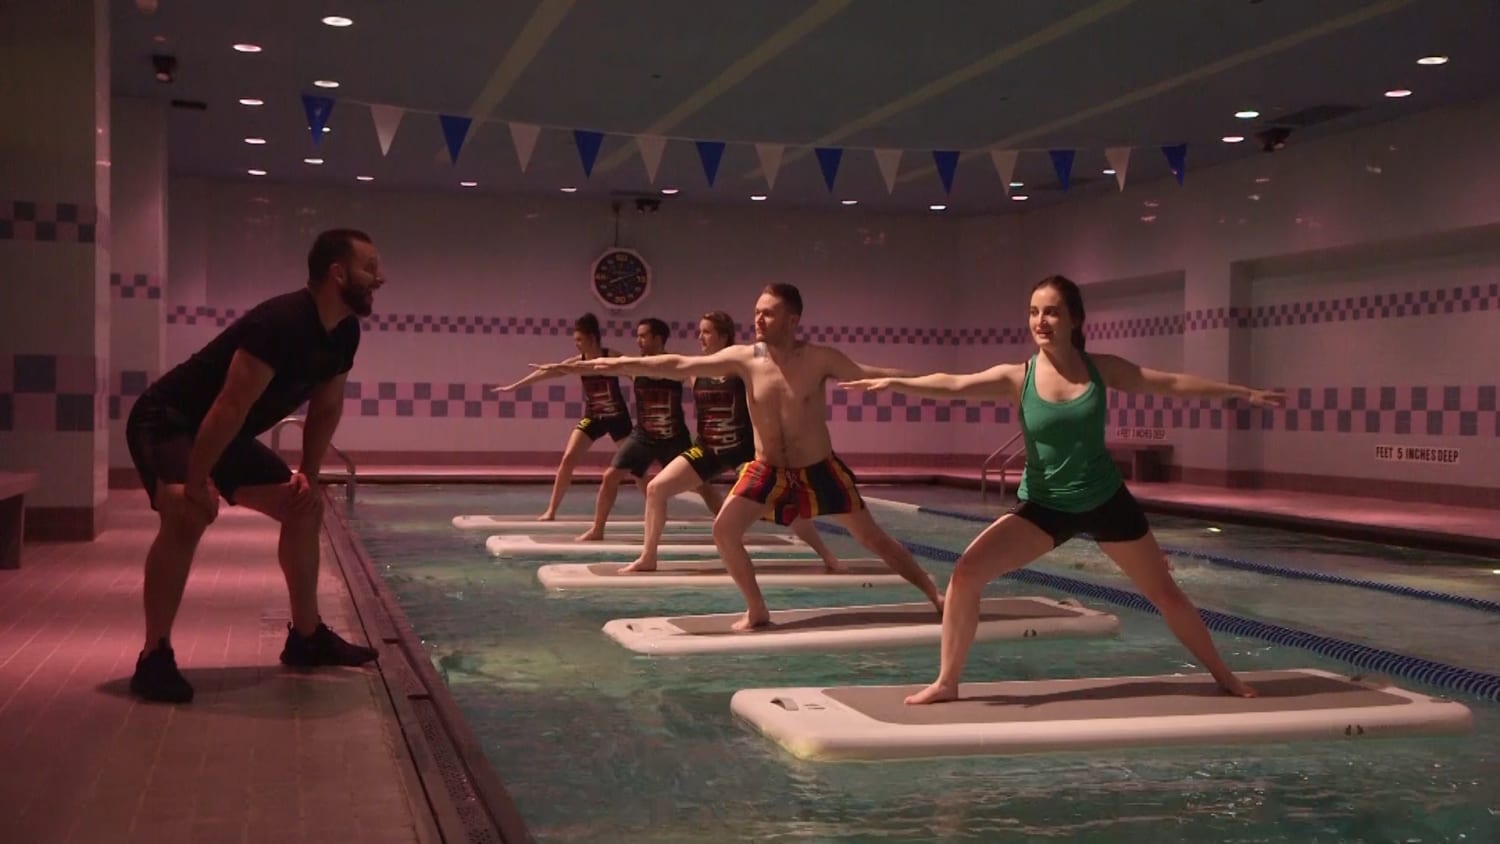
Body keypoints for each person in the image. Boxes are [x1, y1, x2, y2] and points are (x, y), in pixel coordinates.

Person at [838, 274, 1285, 704]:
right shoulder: (1019, 377)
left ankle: (1224, 676)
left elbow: (1167, 383)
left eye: (1051, 312)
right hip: (1046, 507)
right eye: (1034, 312)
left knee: (1165, 593)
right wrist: (897, 383)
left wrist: (1238, 392)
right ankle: (947, 681)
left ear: (1075, 319)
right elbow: (953, 385)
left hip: (1106, 501)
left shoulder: (1100, 370)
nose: (1040, 321)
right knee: (965, 574)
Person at [538, 284, 943, 630]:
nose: (759, 320)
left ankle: (933, 593)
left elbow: (869, 374)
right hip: (767, 468)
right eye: (756, 313)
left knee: (872, 537)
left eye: (768, 314)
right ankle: (757, 609)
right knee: (724, 531)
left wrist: (933, 382)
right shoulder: (746, 359)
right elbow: (678, 363)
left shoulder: (821, 358)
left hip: (819, 468)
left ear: (793, 319)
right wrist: (617, 362)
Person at [125, 229, 385, 704]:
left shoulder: (345, 332)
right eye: (371, 267)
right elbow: (228, 405)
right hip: (169, 420)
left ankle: (306, 639)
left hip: (225, 431)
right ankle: (153, 656)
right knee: (188, 510)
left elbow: (326, 408)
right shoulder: (281, 322)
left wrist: (308, 471)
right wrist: (199, 479)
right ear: (338, 273)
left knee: (303, 507)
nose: (380, 278)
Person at [612, 310, 844, 574]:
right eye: (700, 332)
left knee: (785, 507)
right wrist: (606, 365)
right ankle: (648, 557)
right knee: (656, 489)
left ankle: (828, 556)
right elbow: (660, 365)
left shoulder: (743, 364)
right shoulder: (696, 369)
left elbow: (771, 357)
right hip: (707, 449)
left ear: (723, 337)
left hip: (745, 450)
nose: (700, 337)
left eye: (706, 332)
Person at [493, 313, 633, 520]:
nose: (576, 344)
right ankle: (551, 510)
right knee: (568, 458)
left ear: (592, 338)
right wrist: (516, 386)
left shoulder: (611, 357)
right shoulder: (578, 362)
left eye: (579, 339)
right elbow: (548, 372)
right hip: (593, 417)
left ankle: (655, 505)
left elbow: (636, 372)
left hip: (617, 418)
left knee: (636, 464)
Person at [574, 317, 693, 542]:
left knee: (702, 486)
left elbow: (700, 377)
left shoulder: (677, 365)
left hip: (674, 437)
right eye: (637, 336)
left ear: (658, 339)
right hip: (644, 436)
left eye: (643, 336)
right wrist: (558, 368)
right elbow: (592, 365)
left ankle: (729, 527)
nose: (638, 341)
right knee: (610, 476)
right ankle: (597, 529)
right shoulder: (634, 366)